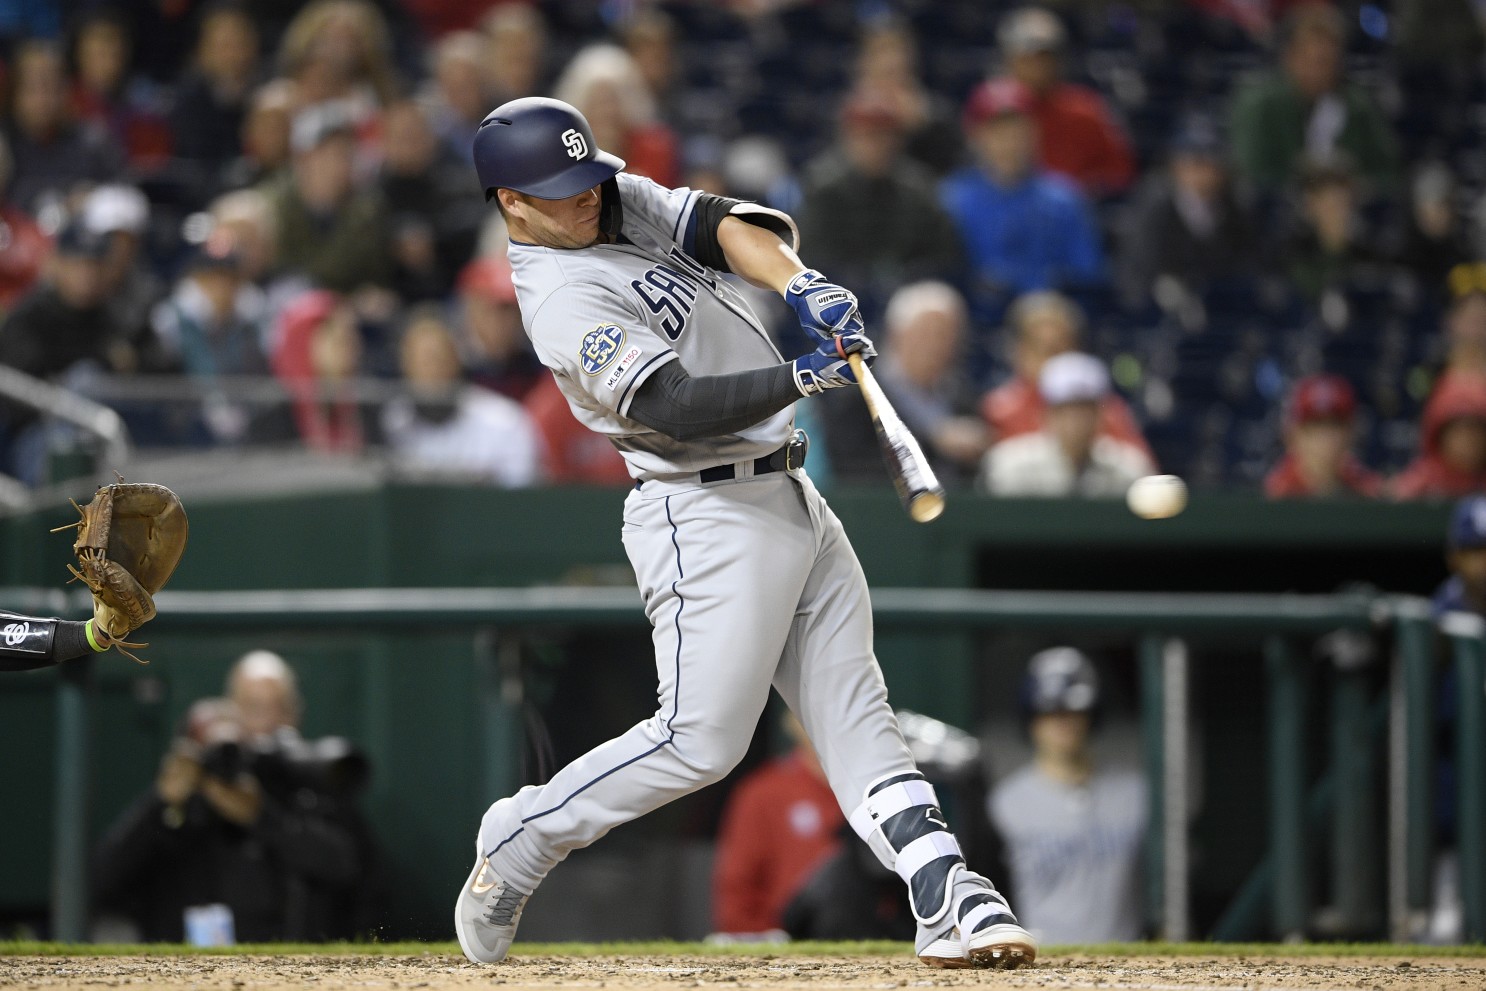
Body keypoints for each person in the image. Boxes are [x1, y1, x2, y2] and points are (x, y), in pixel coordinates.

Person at [455, 96, 1036, 971]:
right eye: (560, 192)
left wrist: (801, 285)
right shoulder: (559, 297)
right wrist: (804, 370)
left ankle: (943, 885)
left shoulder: (605, 197)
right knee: (700, 740)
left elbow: (725, 225)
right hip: (704, 510)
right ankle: (522, 835)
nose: (585, 200)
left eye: (586, 180)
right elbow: (675, 406)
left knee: (855, 708)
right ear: (512, 202)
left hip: (787, 489)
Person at [91, 651, 375, 942]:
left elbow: (352, 870)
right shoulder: (192, 798)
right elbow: (102, 880)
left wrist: (261, 818)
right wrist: (162, 802)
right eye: (253, 708)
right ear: (230, 713)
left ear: (294, 715)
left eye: (277, 708)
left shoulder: (313, 792)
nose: (266, 723)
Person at [988, 647, 1147, 943]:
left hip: (1126, 961)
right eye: (1050, 711)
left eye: (1073, 710)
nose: (1062, 723)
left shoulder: (1136, 795)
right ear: (1031, 718)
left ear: (1092, 714)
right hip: (1041, 963)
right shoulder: (1005, 803)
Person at [794, 91, 963, 324]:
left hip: (907, 297)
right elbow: (810, 258)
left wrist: (905, 278)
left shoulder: (917, 188)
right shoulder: (822, 187)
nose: (875, 145)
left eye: (883, 136)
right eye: (865, 136)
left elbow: (942, 254)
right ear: (848, 138)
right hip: (838, 297)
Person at [940, 78, 1104, 301]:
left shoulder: (1064, 198)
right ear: (975, 137)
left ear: (1035, 133)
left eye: (1017, 131)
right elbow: (944, 278)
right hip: (971, 318)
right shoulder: (951, 199)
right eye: (997, 132)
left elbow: (1086, 276)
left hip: (1046, 317)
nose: (1009, 143)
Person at [822, 281, 987, 489]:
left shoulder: (963, 397)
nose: (936, 344)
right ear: (896, 334)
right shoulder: (856, 396)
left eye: (946, 334)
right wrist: (934, 443)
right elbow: (853, 471)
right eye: (926, 333)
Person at [1228, 2, 1397, 196]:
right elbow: (1252, 173)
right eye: (1310, 60)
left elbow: (1386, 172)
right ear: (1289, 58)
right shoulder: (1261, 104)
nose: (1317, 72)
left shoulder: (1357, 106)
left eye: (1326, 62)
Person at [711, 712, 844, 936]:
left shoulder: (882, 792)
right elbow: (737, 885)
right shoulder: (764, 792)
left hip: (870, 934)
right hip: (787, 940)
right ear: (793, 722)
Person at [381, 306, 543, 486]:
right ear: (405, 365)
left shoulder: (504, 420)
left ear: (456, 360)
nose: (432, 370)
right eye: (422, 360)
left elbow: (521, 492)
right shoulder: (389, 420)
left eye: (439, 358)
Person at [980, 291, 1150, 452]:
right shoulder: (999, 411)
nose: (1054, 361)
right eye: (1045, 350)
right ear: (1019, 352)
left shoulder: (1105, 409)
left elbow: (1139, 468)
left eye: (1063, 349)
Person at [992, 7, 1135, 198]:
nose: (1037, 68)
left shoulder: (1086, 109)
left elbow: (1119, 173)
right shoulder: (992, 111)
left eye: (1044, 58)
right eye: (1027, 59)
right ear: (1009, 61)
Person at [1119, 117, 1257, 304]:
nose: (1202, 173)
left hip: (1221, 307)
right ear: (1176, 166)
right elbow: (1138, 268)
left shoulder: (1236, 206)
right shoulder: (1156, 205)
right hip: (1161, 311)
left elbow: (1246, 265)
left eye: (1210, 163)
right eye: (1194, 163)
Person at [981, 352, 1155, 497]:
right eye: (1064, 410)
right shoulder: (1010, 464)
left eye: (1085, 409)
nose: (1075, 420)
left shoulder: (1129, 468)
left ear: (1101, 415)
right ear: (1047, 414)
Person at [262, 103, 392, 295]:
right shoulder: (271, 205)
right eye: (329, 153)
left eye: (347, 153)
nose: (340, 164)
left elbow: (373, 274)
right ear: (302, 159)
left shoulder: (367, 208)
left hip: (347, 310)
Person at [1263, 374, 1381, 498]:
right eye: (1315, 427)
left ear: (1350, 432)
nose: (1325, 438)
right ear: (1294, 435)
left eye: (1335, 426)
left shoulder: (1362, 485)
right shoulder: (1278, 491)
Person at [1392, 373, 1486, 500]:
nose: (1468, 440)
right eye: (1458, 431)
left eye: (1476, 430)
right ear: (1440, 435)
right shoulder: (1418, 488)